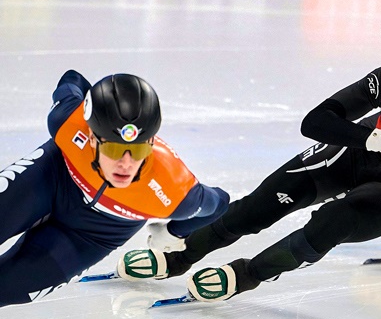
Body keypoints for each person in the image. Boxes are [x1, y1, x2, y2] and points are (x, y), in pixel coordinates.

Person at [116, 37, 381, 301]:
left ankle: (245, 274)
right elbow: (316, 121)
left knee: (334, 221)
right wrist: (377, 139)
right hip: (369, 150)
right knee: (265, 202)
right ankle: (182, 257)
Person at [0, 70, 229, 306]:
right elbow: (72, 79)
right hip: (50, 179)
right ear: (91, 137)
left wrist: (175, 231)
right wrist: (96, 107)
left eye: (138, 151)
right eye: (114, 150)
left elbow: (220, 203)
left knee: (6, 289)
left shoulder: (172, 190)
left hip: (92, 235)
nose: (126, 164)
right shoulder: (67, 121)